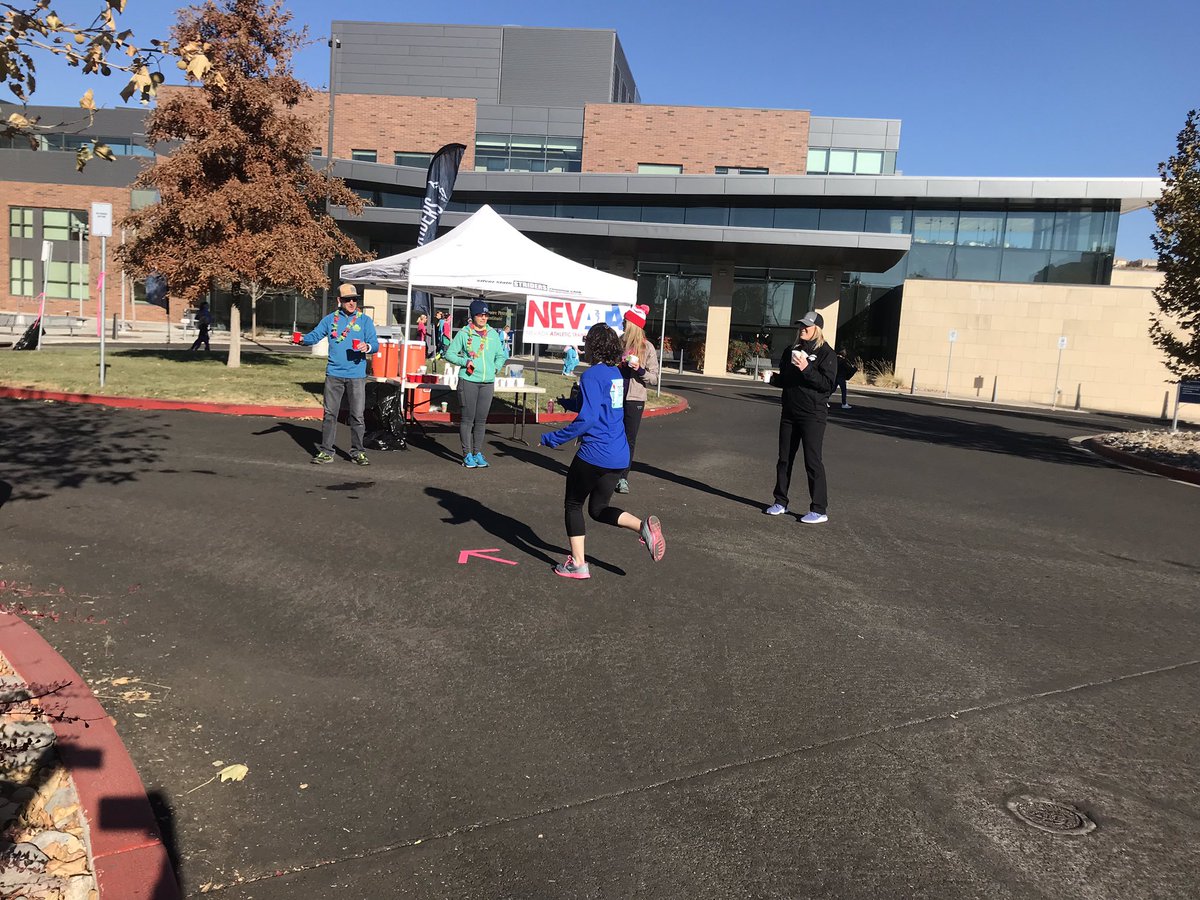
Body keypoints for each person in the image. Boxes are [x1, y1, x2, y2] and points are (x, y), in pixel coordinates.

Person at [540, 322, 666, 579]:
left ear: (593, 347)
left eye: (587, 342)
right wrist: (570, 401)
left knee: (573, 504)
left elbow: (587, 419)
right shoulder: (615, 373)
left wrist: (554, 438)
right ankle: (643, 527)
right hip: (618, 454)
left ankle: (578, 564)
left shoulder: (591, 375)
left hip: (595, 453)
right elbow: (600, 404)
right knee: (597, 509)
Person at [295, 283, 378, 466]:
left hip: (356, 375)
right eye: (347, 299)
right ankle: (326, 452)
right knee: (330, 414)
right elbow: (315, 336)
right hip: (334, 374)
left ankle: (358, 452)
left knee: (357, 415)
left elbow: (375, 343)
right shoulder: (330, 320)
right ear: (339, 300)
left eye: (354, 299)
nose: (351, 303)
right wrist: (302, 340)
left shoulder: (364, 321)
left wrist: (368, 347)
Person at [766, 310, 836, 523]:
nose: (803, 329)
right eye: (801, 325)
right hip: (789, 411)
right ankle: (780, 502)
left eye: (807, 325)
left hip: (813, 414)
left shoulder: (826, 354)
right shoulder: (791, 351)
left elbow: (827, 385)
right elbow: (787, 380)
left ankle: (819, 509)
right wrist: (772, 379)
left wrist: (806, 368)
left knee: (812, 461)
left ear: (818, 329)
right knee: (784, 459)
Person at [444, 299, 508, 468]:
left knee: (481, 420)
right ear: (473, 316)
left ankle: (477, 452)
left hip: (488, 382)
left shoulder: (493, 334)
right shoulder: (464, 334)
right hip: (469, 381)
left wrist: (496, 367)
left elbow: (501, 355)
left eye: (486, 315)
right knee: (467, 419)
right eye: (480, 315)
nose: (483, 318)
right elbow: (449, 354)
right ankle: (467, 455)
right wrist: (465, 361)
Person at [615, 304, 659, 495]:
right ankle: (608, 473)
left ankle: (623, 477)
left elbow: (655, 378)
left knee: (628, 439)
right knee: (613, 435)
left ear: (633, 324)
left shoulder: (647, 347)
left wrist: (639, 369)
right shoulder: (618, 343)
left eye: (626, 321)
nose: (623, 323)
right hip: (616, 395)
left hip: (635, 398)